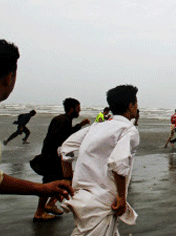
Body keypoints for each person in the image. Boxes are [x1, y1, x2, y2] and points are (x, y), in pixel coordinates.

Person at [0, 37, 73, 207]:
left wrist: (41, 189)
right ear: (9, 77)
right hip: (45, 150)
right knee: (21, 132)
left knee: (23, 133)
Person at [59, 85, 140, 235]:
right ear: (130, 106)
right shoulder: (128, 130)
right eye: (136, 103)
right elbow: (119, 163)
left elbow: (65, 148)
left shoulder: (96, 127)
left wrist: (67, 179)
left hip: (81, 196)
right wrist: (121, 197)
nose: (137, 106)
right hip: (103, 201)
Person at [34, 97, 90, 221]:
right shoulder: (62, 120)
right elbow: (61, 139)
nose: (79, 112)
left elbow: (68, 134)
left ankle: (50, 204)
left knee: (63, 182)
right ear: (71, 109)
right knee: (51, 184)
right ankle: (39, 212)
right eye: (77, 109)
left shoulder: (64, 119)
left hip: (55, 156)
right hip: (53, 157)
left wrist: (81, 124)